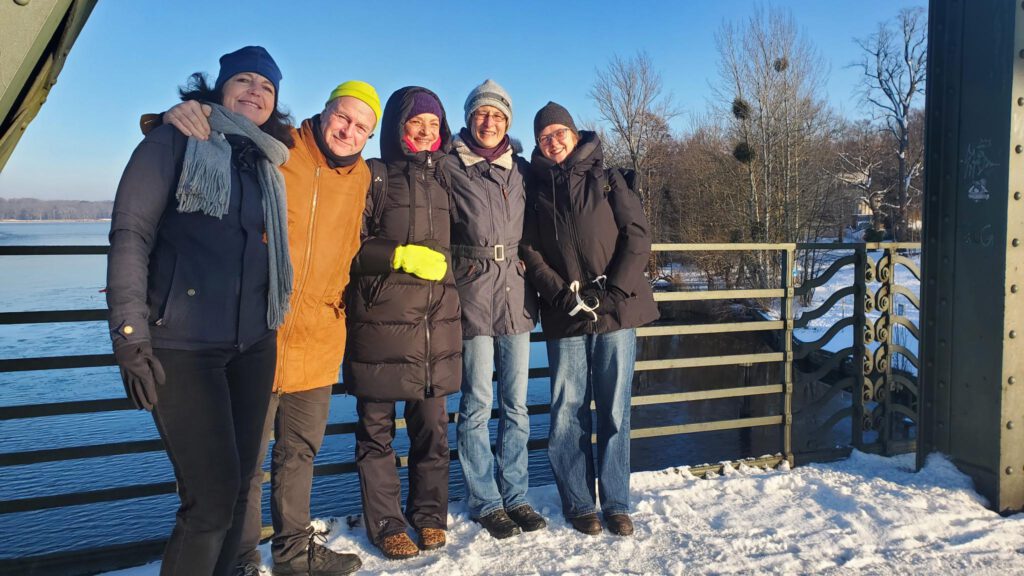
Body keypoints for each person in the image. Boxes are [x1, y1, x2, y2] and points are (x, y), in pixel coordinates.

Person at [157, 80, 382, 576]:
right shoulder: (279, 147)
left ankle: (294, 553)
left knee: (300, 453)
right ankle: (240, 558)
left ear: (370, 136)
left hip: (320, 336)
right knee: (245, 462)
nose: (349, 130)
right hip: (259, 332)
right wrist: (177, 115)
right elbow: (212, 137)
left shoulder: (364, 176)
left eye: (362, 127)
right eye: (343, 117)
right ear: (325, 112)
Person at [107, 46, 294, 576]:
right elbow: (130, 234)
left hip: (253, 343)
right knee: (209, 501)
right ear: (219, 88)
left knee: (239, 490)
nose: (256, 91)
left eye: (267, 86)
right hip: (183, 347)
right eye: (245, 80)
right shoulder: (174, 139)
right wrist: (130, 335)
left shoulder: (265, 160)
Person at [521, 102, 659, 538]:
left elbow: (637, 236)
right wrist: (560, 295)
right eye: (544, 137)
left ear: (575, 134)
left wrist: (614, 291)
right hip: (566, 314)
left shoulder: (608, 178)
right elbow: (529, 251)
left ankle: (616, 503)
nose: (553, 141)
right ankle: (580, 503)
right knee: (567, 412)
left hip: (615, 311)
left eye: (559, 132)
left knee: (615, 410)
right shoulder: (535, 189)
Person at [343, 86, 461, 560]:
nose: (426, 132)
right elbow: (347, 245)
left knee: (433, 430)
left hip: (433, 330)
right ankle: (386, 523)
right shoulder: (374, 176)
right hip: (379, 327)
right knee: (376, 433)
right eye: (417, 122)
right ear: (397, 126)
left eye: (434, 124)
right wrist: (397, 256)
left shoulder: (447, 178)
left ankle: (429, 515)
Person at [450, 80, 546, 539]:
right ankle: (486, 500)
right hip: (472, 293)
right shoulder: (450, 166)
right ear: (469, 118)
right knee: (476, 404)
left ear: (508, 122)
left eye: (498, 115)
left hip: (517, 294)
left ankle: (516, 495)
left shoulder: (521, 170)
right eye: (481, 114)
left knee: (516, 405)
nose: (489, 122)